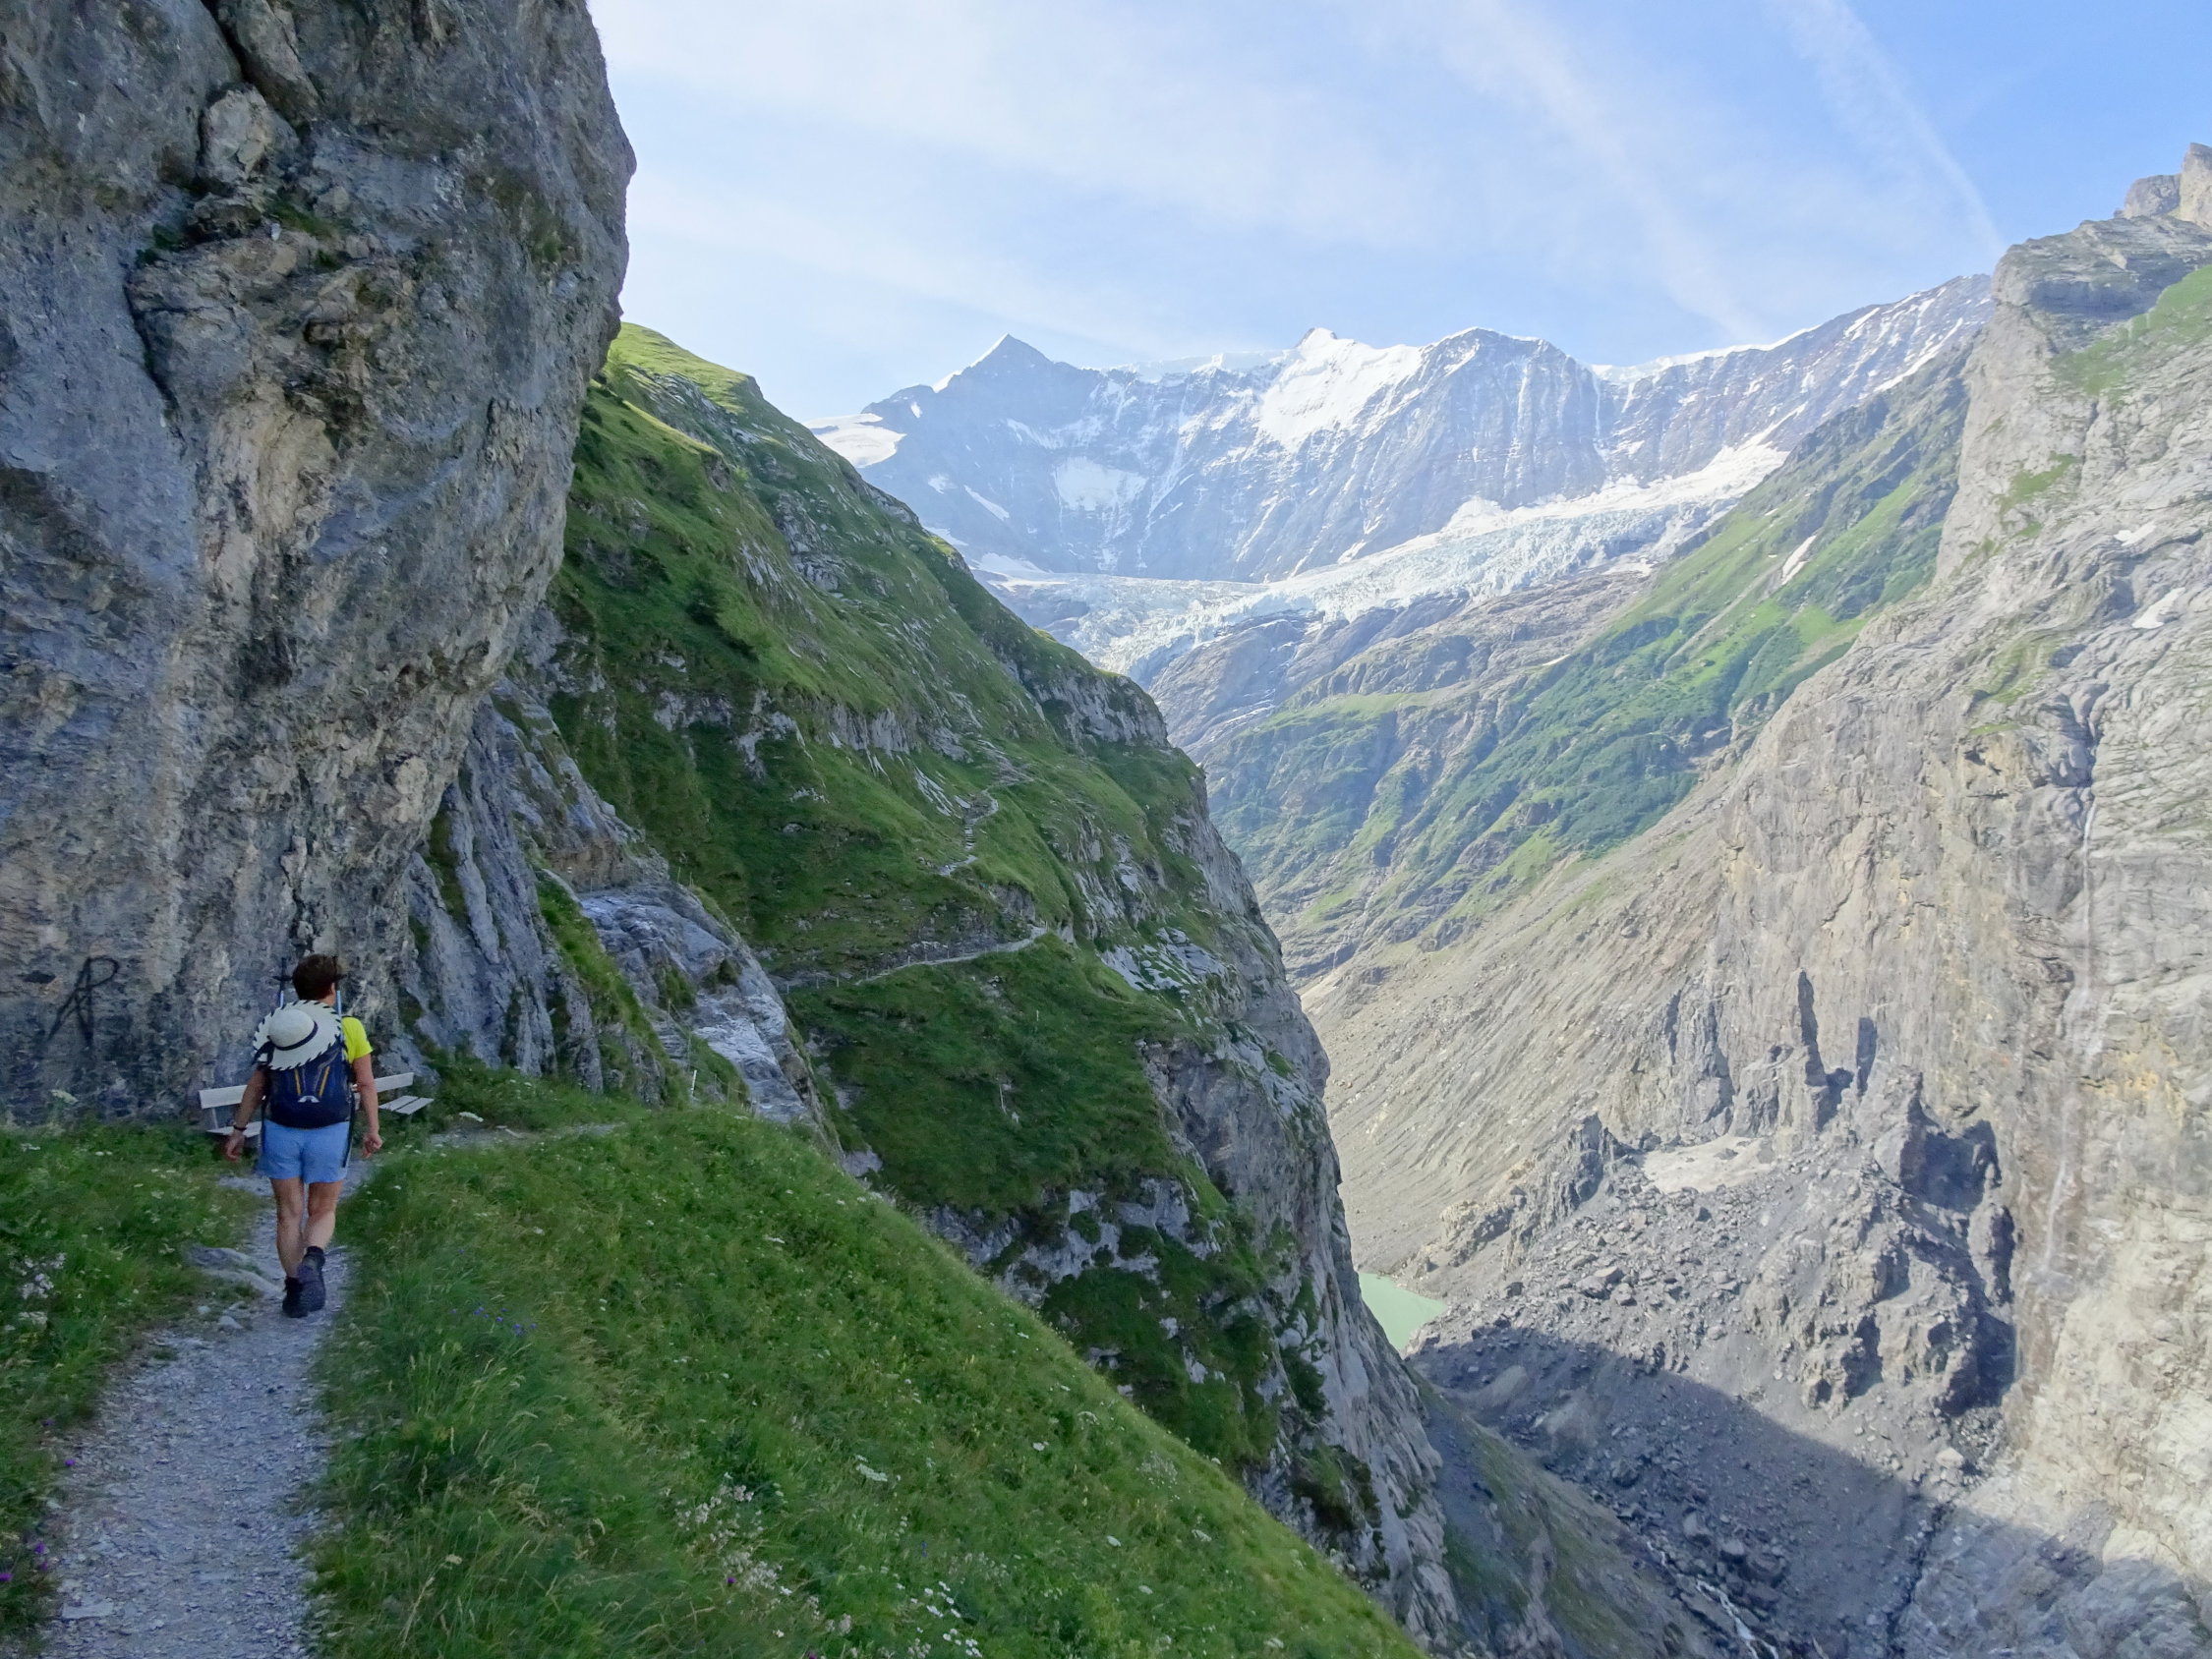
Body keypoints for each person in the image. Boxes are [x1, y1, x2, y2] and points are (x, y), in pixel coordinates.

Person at [222, 955, 382, 1317]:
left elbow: (258, 1085)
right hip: (330, 1129)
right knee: (322, 1209)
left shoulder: (280, 1027)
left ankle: (294, 1291)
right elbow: (366, 1083)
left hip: (282, 1129)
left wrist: (238, 1130)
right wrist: (373, 1129)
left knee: (288, 1214)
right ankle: (313, 1258)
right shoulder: (349, 1027)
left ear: (297, 989)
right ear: (332, 988)